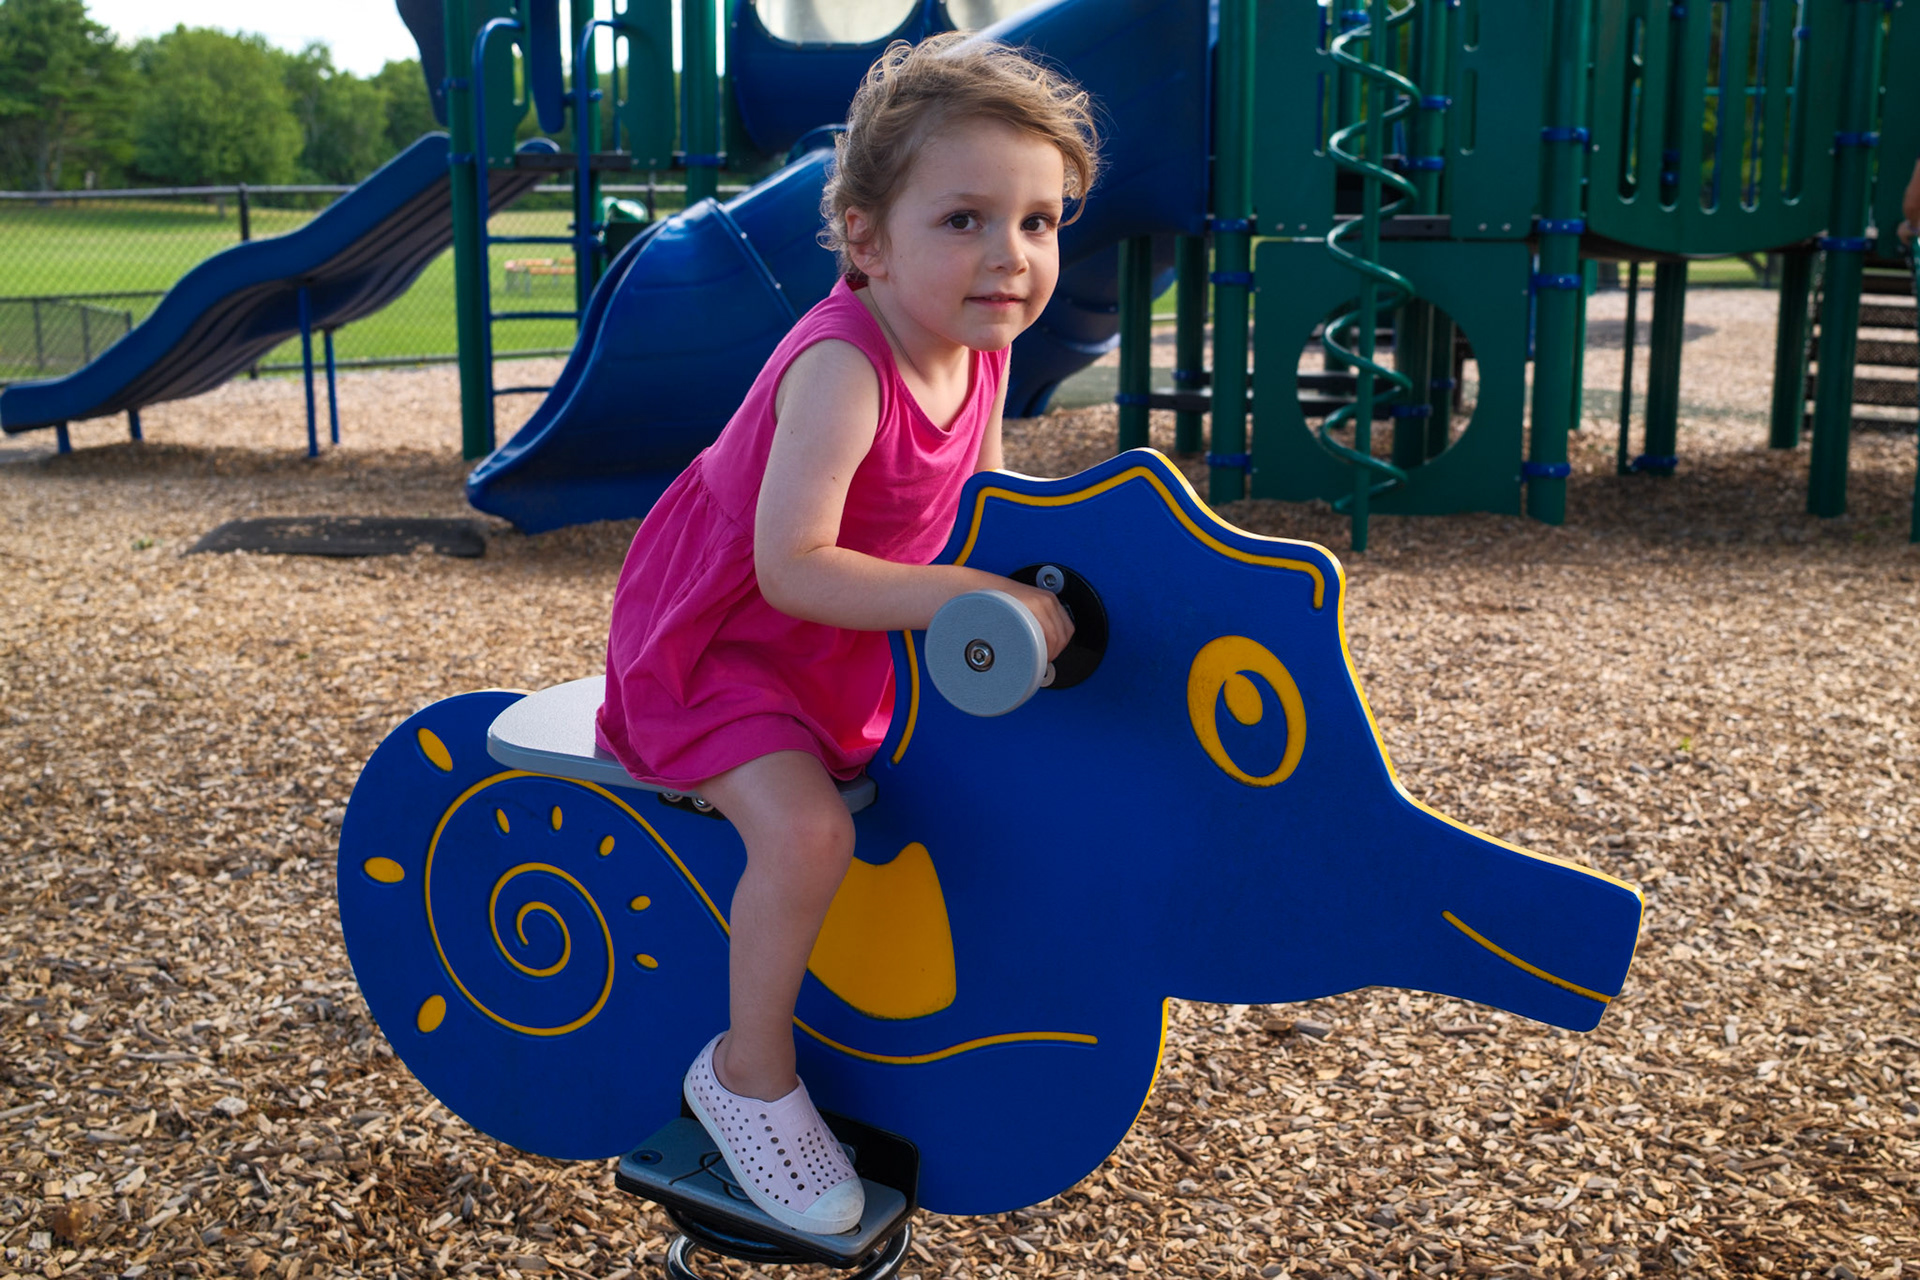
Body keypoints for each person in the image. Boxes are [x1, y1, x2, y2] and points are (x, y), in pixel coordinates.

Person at [595, 34, 1098, 1235]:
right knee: (814, 826)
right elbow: (794, 565)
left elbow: (969, 506)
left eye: (1040, 221)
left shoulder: (983, 341)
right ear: (866, 238)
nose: (1010, 257)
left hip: (828, 646)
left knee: (972, 772)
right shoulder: (842, 364)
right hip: (719, 649)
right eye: (967, 219)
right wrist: (966, 597)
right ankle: (748, 1075)